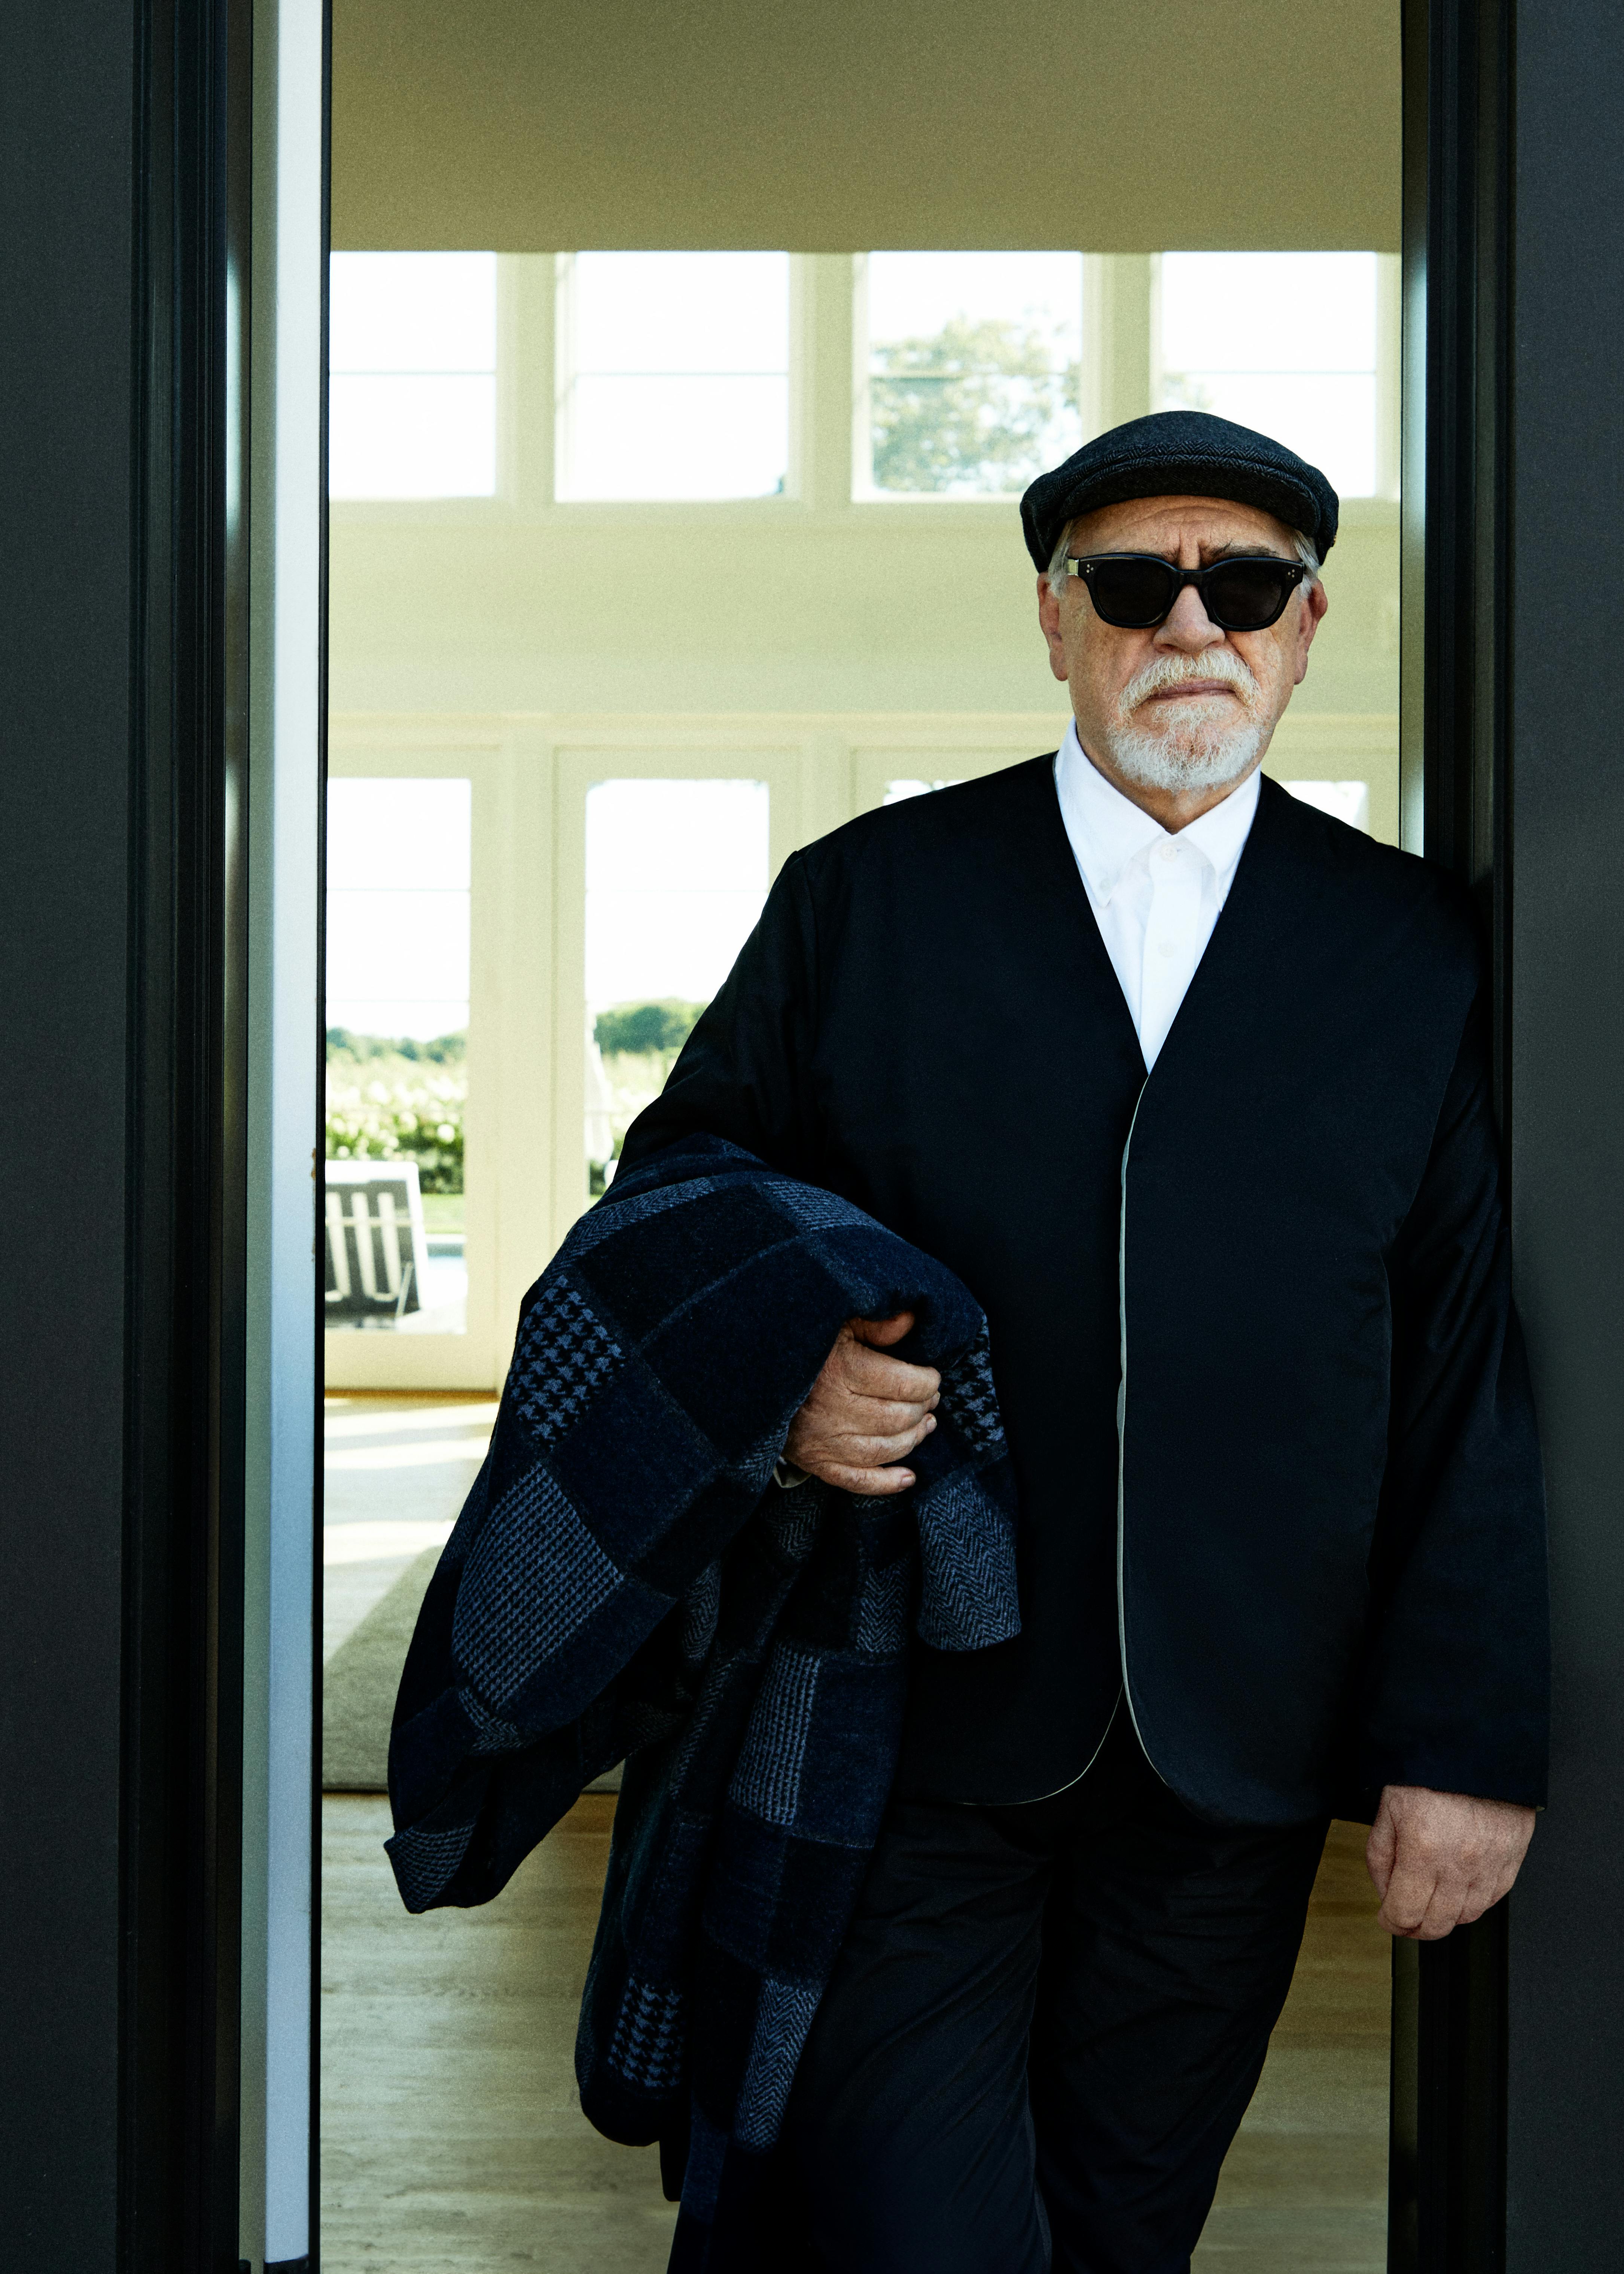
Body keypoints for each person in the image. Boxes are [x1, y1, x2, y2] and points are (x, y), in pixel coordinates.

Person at [613, 410, 1550, 2274]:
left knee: (1125, 2232)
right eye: (1134, 583)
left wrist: (1464, 1737)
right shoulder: (866, 903)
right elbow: (679, 1190)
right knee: (906, 2228)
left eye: (1247, 585)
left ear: (1301, 629)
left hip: (1241, 1742)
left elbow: (1459, 1358)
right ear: (1054, 620)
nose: (1189, 624)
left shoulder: (1417, 950)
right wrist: (783, 1374)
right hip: (913, 1714)